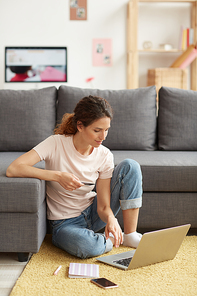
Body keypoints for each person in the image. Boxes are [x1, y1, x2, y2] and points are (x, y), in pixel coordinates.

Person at [6, 95, 143, 259]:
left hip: (94, 213)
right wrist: (57, 176)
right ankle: (109, 239)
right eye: (97, 130)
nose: (103, 136)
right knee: (87, 246)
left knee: (131, 166)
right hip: (65, 223)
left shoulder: (105, 155)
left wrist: (110, 218)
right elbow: (13, 169)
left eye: (106, 130)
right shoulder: (56, 143)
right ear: (80, 126)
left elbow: (103, 206)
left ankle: (129, 235)